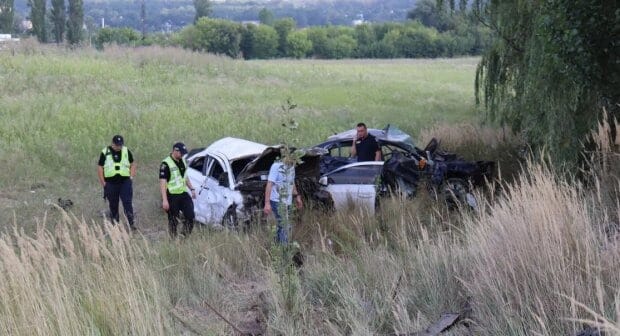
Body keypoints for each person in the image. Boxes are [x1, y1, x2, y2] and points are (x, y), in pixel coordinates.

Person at [97, 135, 137, 231]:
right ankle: (115, 225)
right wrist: (103, 183)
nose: (119, 147)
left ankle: (131, 224)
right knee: (113, 204)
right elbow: (100, 168)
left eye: (121, 145)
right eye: (117, 145)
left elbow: (133, 164)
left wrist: (131, 177)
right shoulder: (105, 152)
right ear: (112, 143)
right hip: (110, 183)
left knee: (127, 202)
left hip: (125, 182)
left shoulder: (126, 151)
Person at [159, 142, 196, 238]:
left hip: (183, 193)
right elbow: (163, 182)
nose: (182, 155)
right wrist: (164, 200)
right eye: (181, 153)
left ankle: (183, 237)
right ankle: (173, 240)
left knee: (190, 216)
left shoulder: (182, 160)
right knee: (173, 220)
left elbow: (185, 177)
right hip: (171, 195)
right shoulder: (165, 164)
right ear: (175, 151)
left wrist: (191, 188)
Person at [263, 159, 303, 244]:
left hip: (288, 202)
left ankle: (277, 246)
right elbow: (269, 184)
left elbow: (292, 183)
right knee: (285, 225)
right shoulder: (276, 166)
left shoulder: (292, 167)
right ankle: (284, 251)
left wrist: (297, 197)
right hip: (277, 201)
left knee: (282, 226)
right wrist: (267, 203)